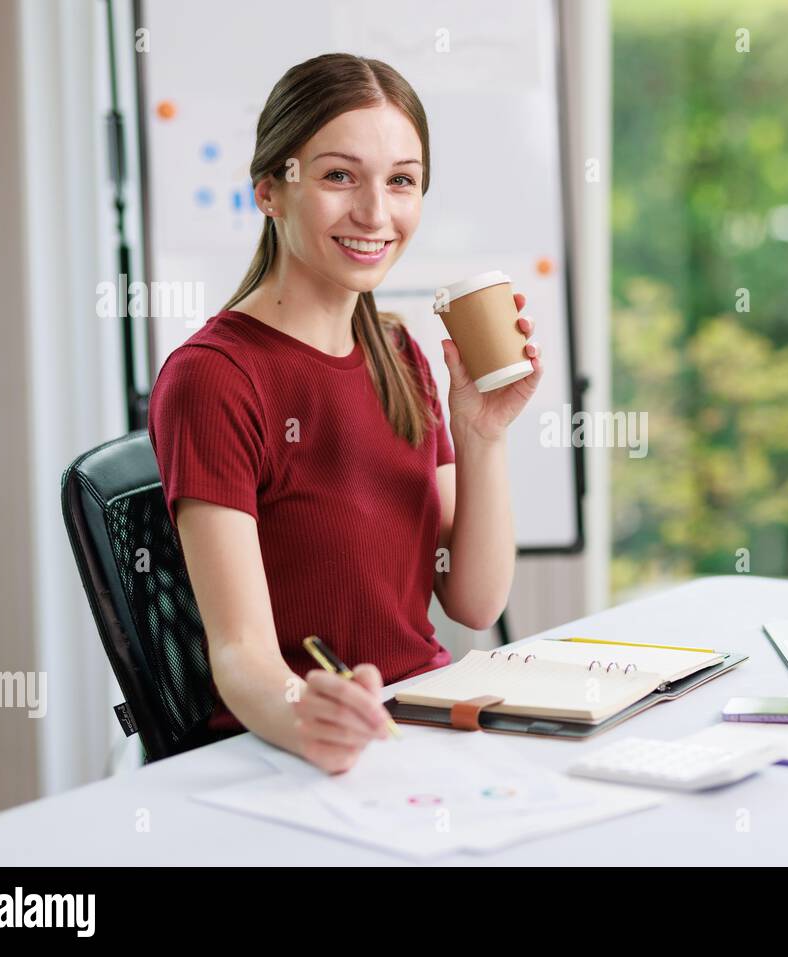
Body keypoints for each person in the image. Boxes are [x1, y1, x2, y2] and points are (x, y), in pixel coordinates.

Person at [148, 53, 542, 772]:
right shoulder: (213, 380)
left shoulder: (398, 351)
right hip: (297, 752)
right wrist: (309, 713)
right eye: (338, 176)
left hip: (418, 722)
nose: (375, 213)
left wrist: (481, 436)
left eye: (401, 181)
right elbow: (240, 654)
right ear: (270, 190)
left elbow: (474, 601)